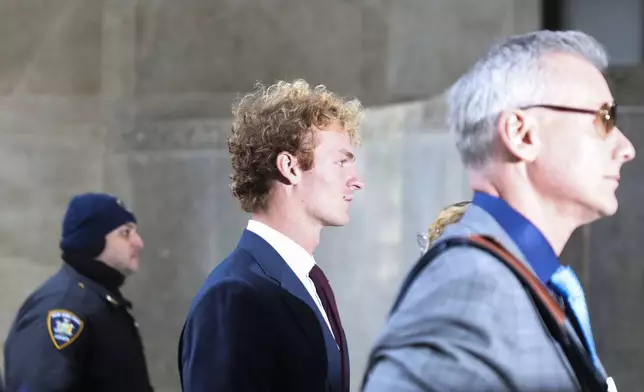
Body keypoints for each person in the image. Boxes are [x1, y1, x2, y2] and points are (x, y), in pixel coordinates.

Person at [363, 30, 635, 392]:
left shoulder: (514, 278)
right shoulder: (469, 288)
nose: (626, 147)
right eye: (604, 118)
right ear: (521, 134)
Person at [178, 79, 365, 392]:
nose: (355, 182)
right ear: (289, 167)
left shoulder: (305, 281)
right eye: (340, 162)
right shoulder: (234, 296)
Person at [4, 193, 154, 392]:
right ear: (93, 240)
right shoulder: (63, 307)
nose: (138, 242)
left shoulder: (100, 302)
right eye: (125, 233)